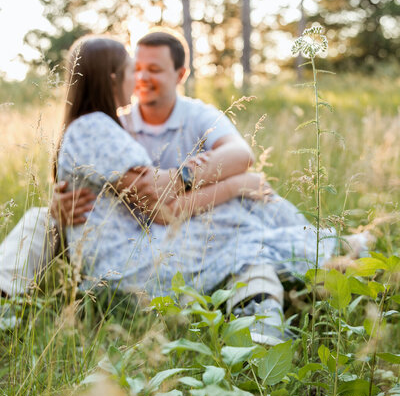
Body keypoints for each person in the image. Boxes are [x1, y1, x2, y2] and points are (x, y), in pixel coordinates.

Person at [0, 30, 343, 344]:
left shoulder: (182, 115)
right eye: (136, 67)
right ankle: (324, 251)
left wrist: (209, 181)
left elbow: (240, 153)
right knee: (240, 222)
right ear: (114, 76)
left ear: (180, 75)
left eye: (153, 69)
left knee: (243, 227)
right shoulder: (104, 126)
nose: (141, 78)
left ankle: (314, 258)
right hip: (131, 254)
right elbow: (163, 207)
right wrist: (232, 184)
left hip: (137, 241)